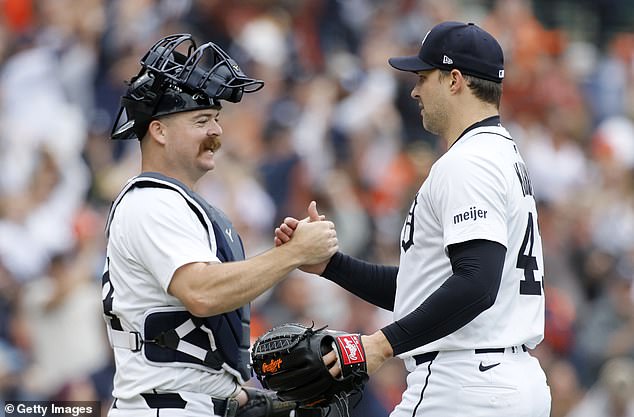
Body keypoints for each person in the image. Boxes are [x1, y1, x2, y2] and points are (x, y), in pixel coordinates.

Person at [275, 21, 551, 417]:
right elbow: (424, 289)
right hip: (500, 377)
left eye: (423, 77)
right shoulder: (500, 153)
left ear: (454, 80)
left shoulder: (468, 162)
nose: (414, 90)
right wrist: (332, 266)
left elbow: (476, 284)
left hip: (463, 383)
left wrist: (381, 344)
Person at [101, 34, 338, 417]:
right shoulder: (151, 201)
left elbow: (195, 337)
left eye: (215, 119)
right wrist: (293, 254)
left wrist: (245, 399)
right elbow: (202, 293)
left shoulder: (177, 202)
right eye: (201, 120)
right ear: (158, 130)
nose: (217, 132)